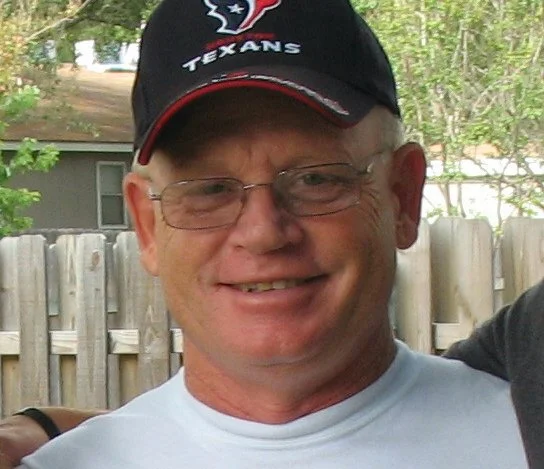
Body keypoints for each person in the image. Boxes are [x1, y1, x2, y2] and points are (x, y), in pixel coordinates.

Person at [7, 0, 531, 467]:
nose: (262, 232)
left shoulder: (526, 436)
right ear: (146, 224)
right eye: (210, 189)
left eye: (316, 180)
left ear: (403, 195)